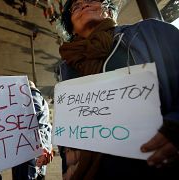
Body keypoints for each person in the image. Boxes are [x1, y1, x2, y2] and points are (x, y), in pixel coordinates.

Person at [57, 0, 179, 179]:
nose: (83, 5)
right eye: (76, 6)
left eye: (91, 0)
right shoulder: (67, 67)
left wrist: (176, 125)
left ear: (109, 12)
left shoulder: (150, 32)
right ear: (72, 28)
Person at [12, 80, 53, 180]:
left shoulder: (32, 97)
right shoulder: (38, 98)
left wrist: (40, 146)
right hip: (35, 153)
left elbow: (33, 123)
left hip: (31, 155)